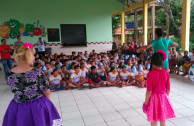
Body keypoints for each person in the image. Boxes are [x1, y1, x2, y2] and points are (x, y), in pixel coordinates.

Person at [3, 43, 61, 126]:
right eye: (33, 55)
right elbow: (46, 91)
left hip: (17, 106)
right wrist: (46, 105)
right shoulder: (36, 72)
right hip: (37, 106)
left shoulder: (9, 73)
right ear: (29, 56)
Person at [143, 50, 175, 126]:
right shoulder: (166, 73)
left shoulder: (150, 74)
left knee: (154, 120)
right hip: (164, 97)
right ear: (162, 62)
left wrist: (146, 102)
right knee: (162, 119)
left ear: (152, 62)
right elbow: (168, 89)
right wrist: (165, 97)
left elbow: (149, 91)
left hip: (154, 99)